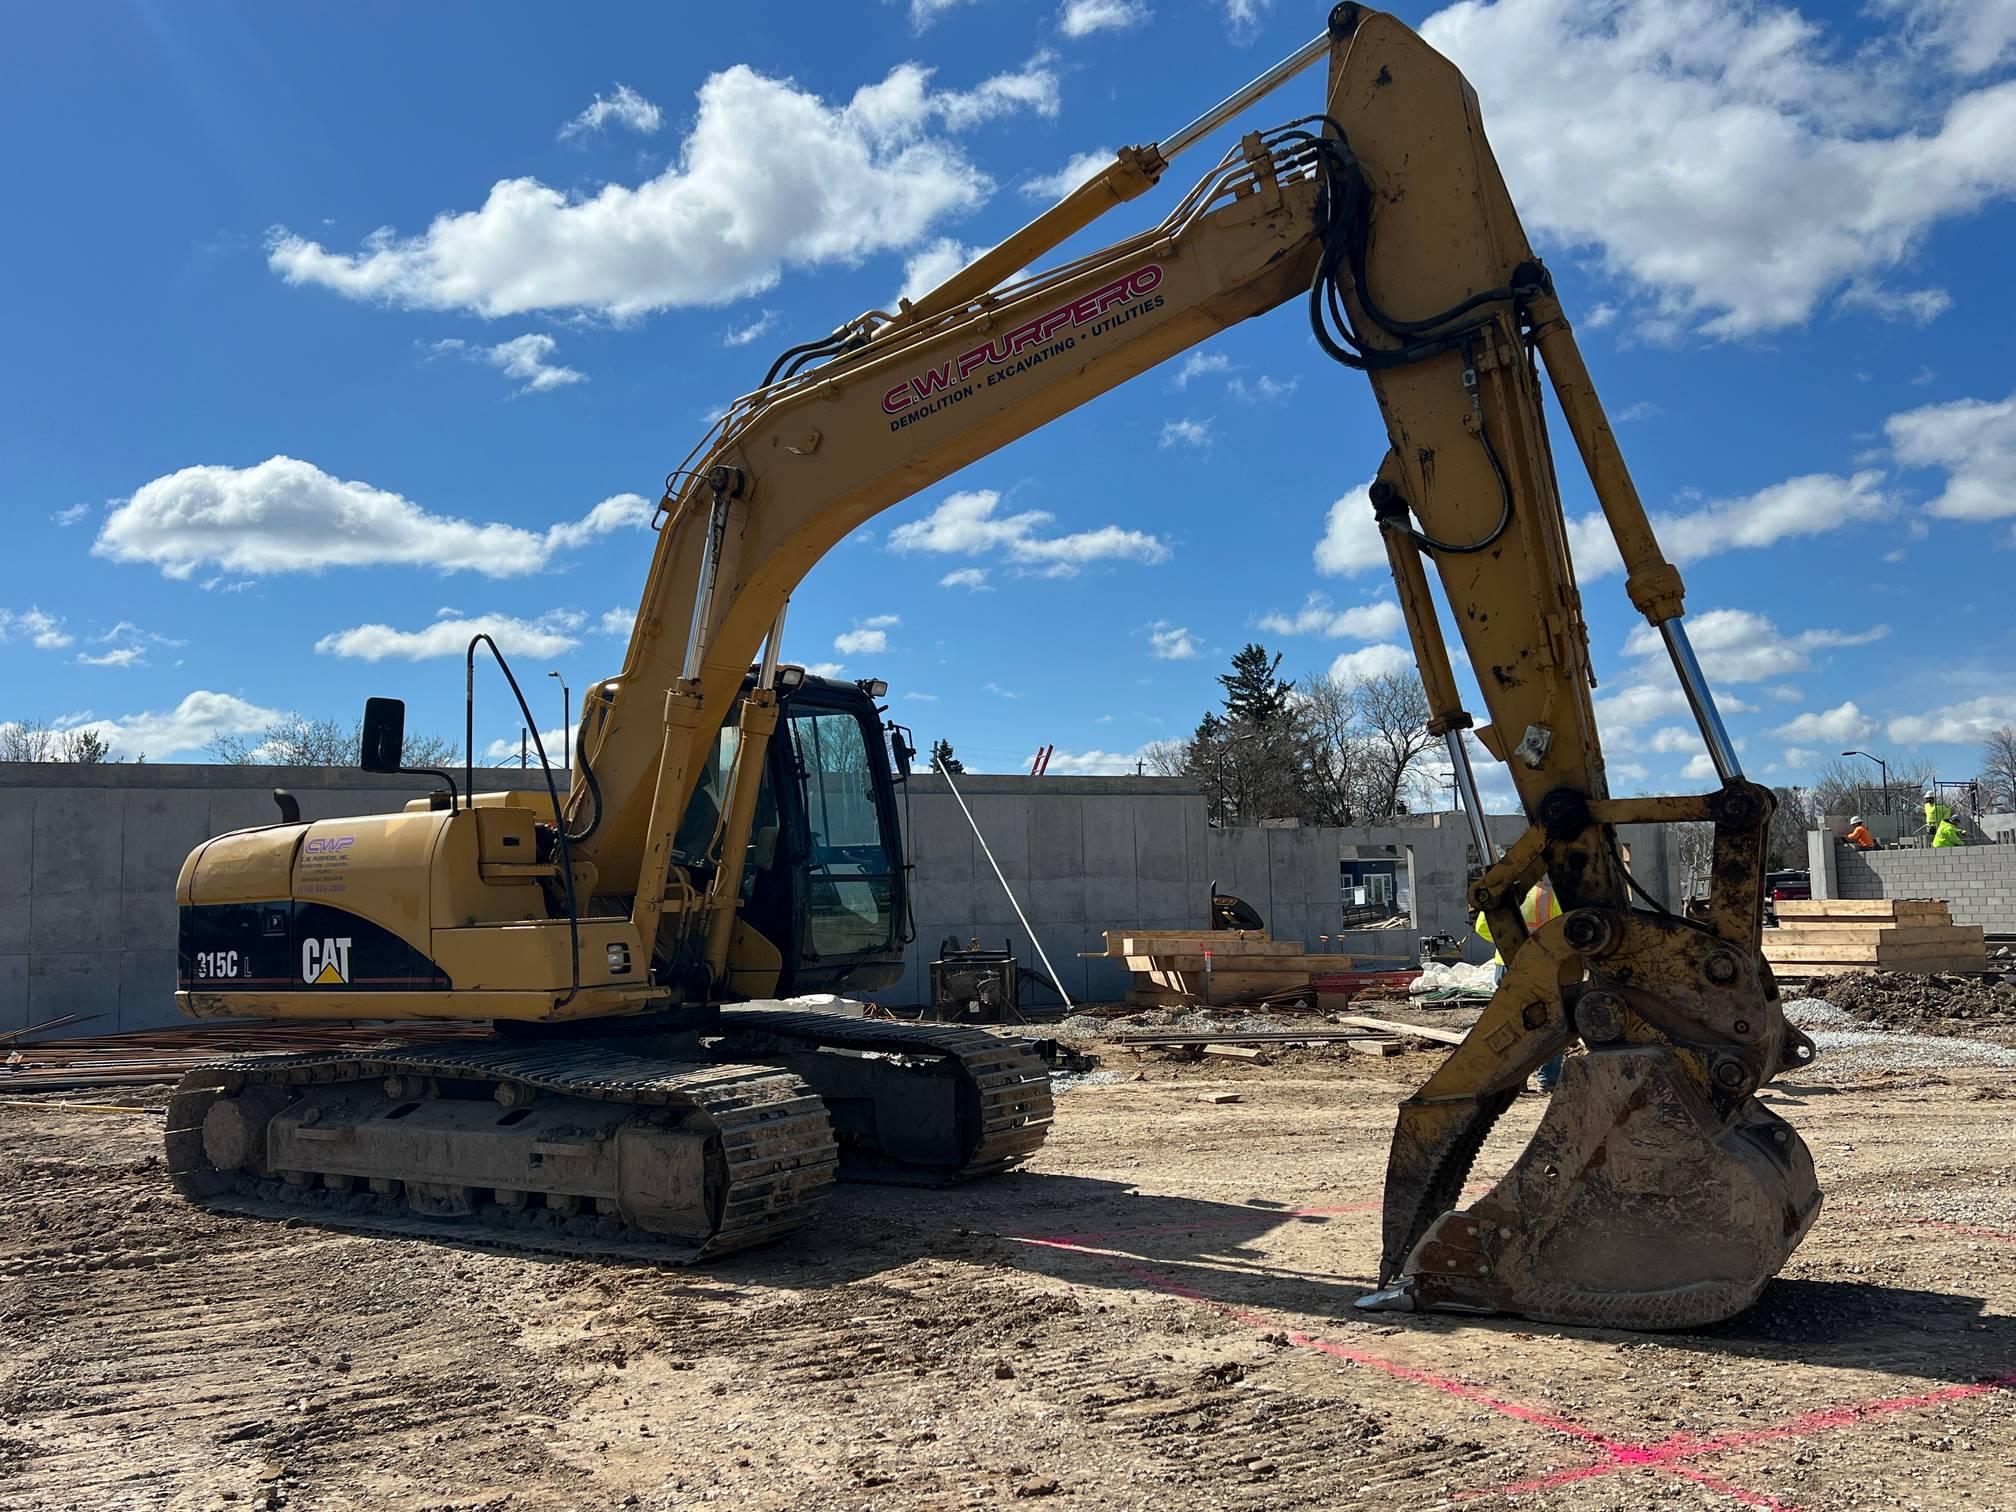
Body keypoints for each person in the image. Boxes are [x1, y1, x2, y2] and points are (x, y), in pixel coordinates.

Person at [1474, 880, 1562, 1092]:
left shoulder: (1499, 892)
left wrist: (1509, 942)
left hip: (1504, 962)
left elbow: (1481, 927)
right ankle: (1548, 1079)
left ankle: (1514, 1080)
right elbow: (1561, 928)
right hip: (1538, 962)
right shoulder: (1549, 895)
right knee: (1551, 1021)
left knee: (1510, 1024)